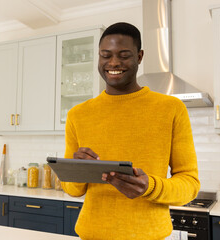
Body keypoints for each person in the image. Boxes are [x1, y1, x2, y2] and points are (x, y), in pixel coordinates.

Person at [61, 22, 200, 240]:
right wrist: (78, 170)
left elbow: (190, 184)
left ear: (140, 56)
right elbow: (72, 189)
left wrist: (150, 187)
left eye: (123, 55)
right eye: (105, 55)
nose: (113, 62)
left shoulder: (171, 109)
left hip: (150, 235)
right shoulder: (78, 114)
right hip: (91, 234)